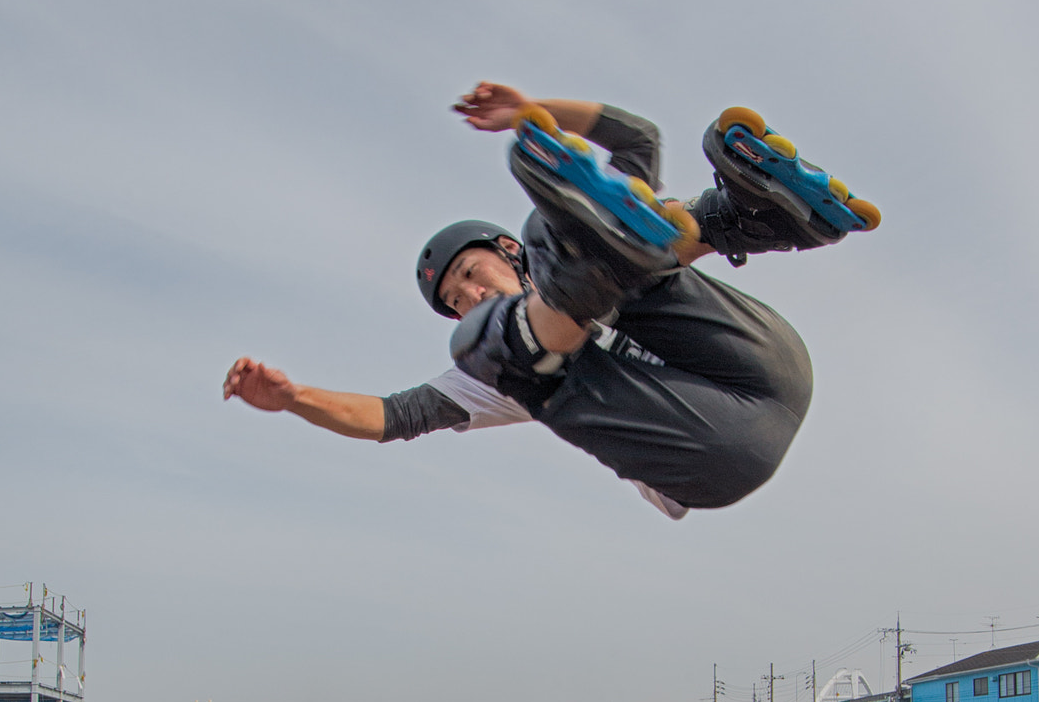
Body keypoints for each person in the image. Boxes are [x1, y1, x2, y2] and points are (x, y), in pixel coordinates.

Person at [224, 84, 878, 520]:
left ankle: (750, 216)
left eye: (472, 277)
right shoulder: (484, 361)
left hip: (763, 365)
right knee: (489, 343)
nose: (469, 296)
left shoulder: (551, 244)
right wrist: (292, 399)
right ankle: (717, 225)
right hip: (710, 452)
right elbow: (389, 416)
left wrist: (531, 110)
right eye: (455, 299)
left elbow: (636, 139)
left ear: (500, 253)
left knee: (586, 237)